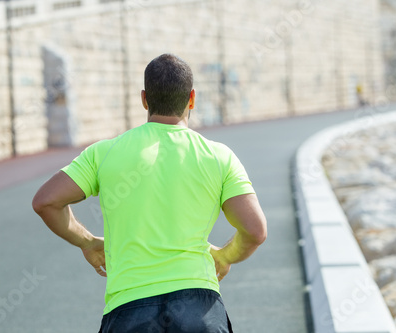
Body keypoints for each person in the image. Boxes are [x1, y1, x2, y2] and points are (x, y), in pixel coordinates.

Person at [32, 53, 267, 333]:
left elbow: (46, 201)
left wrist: (88, 242)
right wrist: (226, 256)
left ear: (144, 99)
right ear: (192, 98)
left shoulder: (104, 153)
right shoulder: (219, 156)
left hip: (129, 310)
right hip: (199, 308)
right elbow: (255, 231)